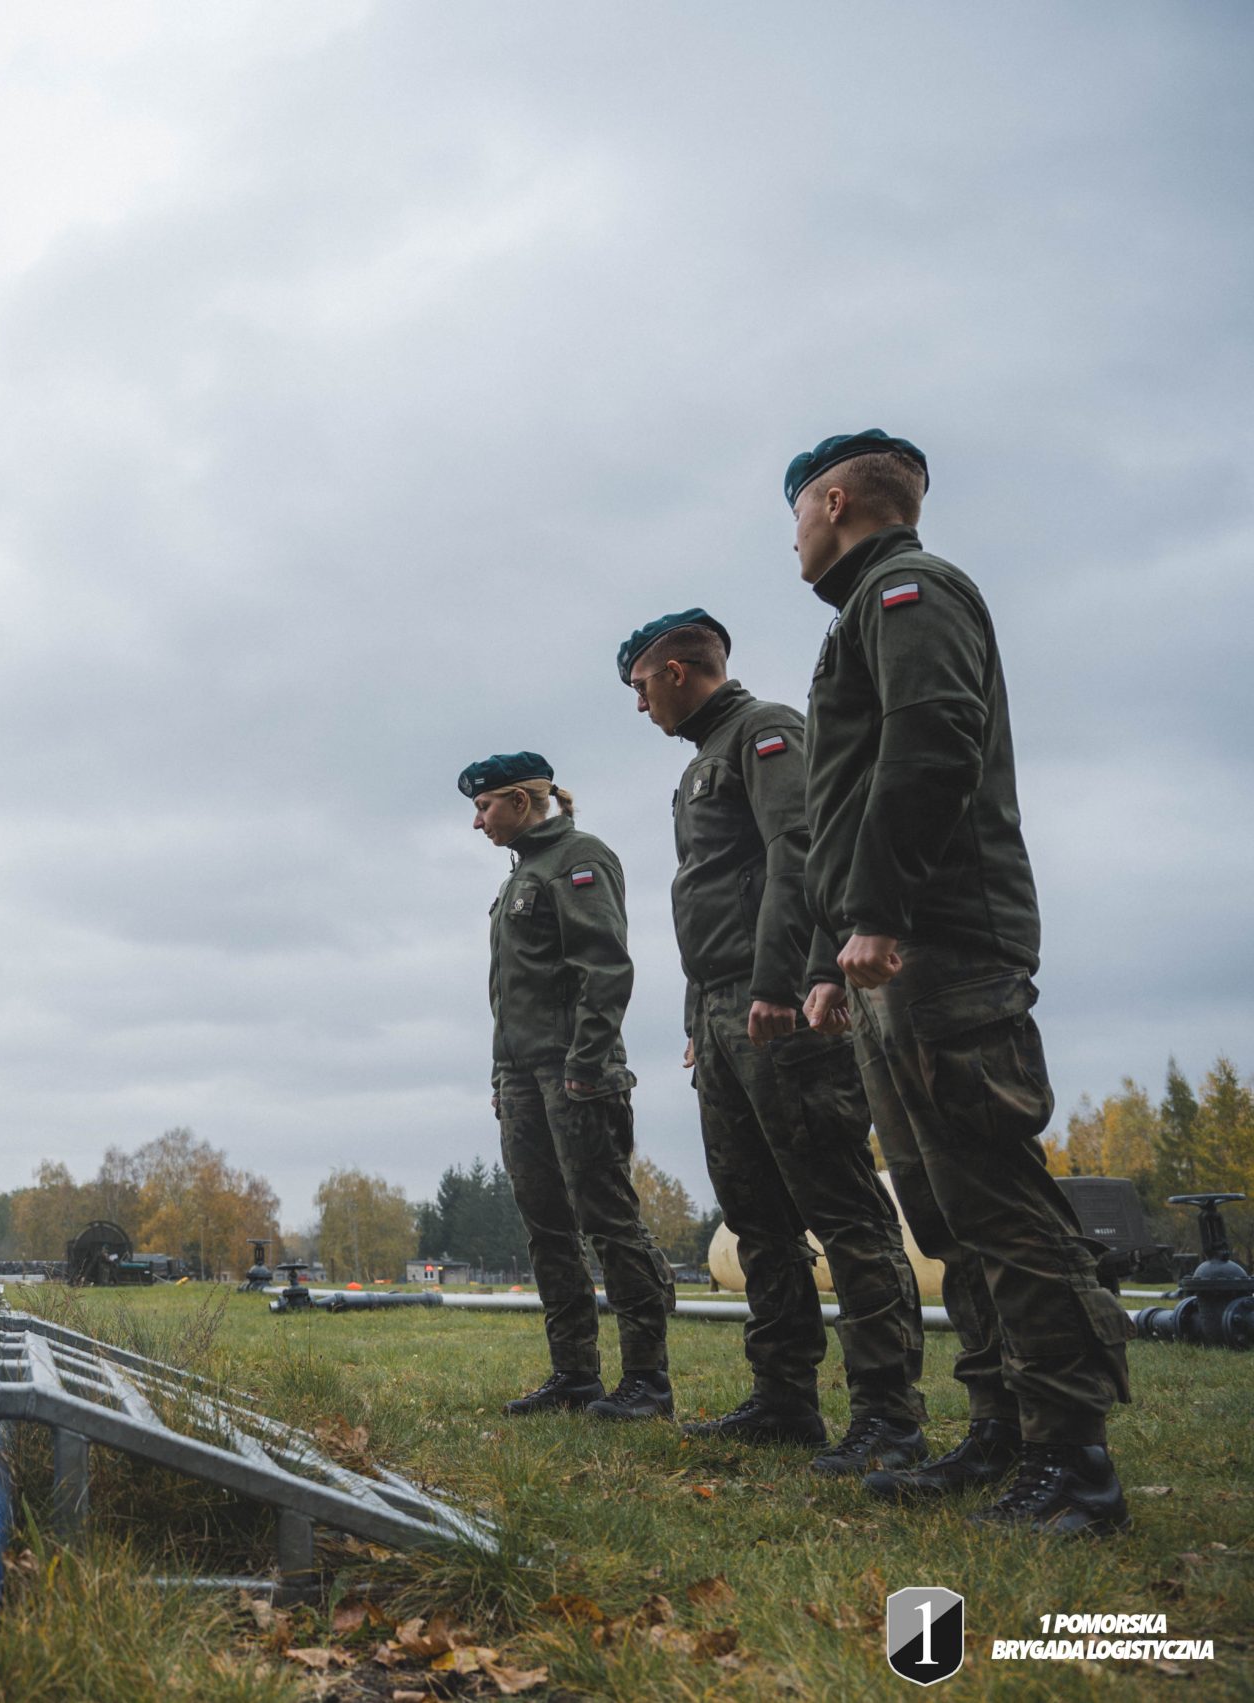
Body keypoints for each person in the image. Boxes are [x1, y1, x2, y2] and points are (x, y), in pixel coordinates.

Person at [788, 430, 1133, 1534]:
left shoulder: (908, 587)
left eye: (796, 511)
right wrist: (850, 936)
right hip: (896, 948)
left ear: (833, 499)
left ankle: (1074, 1462)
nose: (792, 535)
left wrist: (882, 909)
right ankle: (1000, 1432)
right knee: (944, 1211)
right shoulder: (867, 606)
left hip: (940, 938)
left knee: (997, 1199)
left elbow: (933, 739)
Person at [618, 609, 928, 1475]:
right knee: (755, 1215)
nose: (640, 708)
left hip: (779, 1008)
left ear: (678, 671)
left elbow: (801, 856)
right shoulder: (702, 764)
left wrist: (777, 984)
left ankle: (889, 1417)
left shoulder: (767, 733)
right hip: (722, 1016)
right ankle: (786, 1398)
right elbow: (713, 894)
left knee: (844, 1211)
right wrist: (698, 1016)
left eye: (641, 688)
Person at [463, 753, 675, 1421]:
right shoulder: (522, 873)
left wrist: (584, 1065)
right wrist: (505, 1076)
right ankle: (574, 1374)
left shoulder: (578, 858)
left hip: (576, 1074)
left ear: (524, 801)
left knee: (609, 1222)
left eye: (486, 806)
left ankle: (646, 1379)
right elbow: (513, 993)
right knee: (546, 1227)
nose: (477, 822)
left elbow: (604, 968)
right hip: (523, 1076)